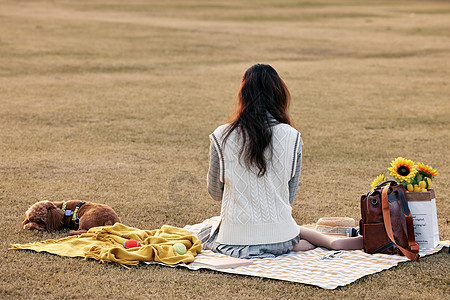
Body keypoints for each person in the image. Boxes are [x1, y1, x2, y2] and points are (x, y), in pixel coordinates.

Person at [200, 64, 362, 259]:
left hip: (236, 239)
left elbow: (215, 193)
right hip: (281, 236)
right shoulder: (293, 137)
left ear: (243, 95)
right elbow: (288, 196)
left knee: (206, 231)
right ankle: (322, 242)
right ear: (279, 95)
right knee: (292, 229)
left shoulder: (221, 136)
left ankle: (294, 243)